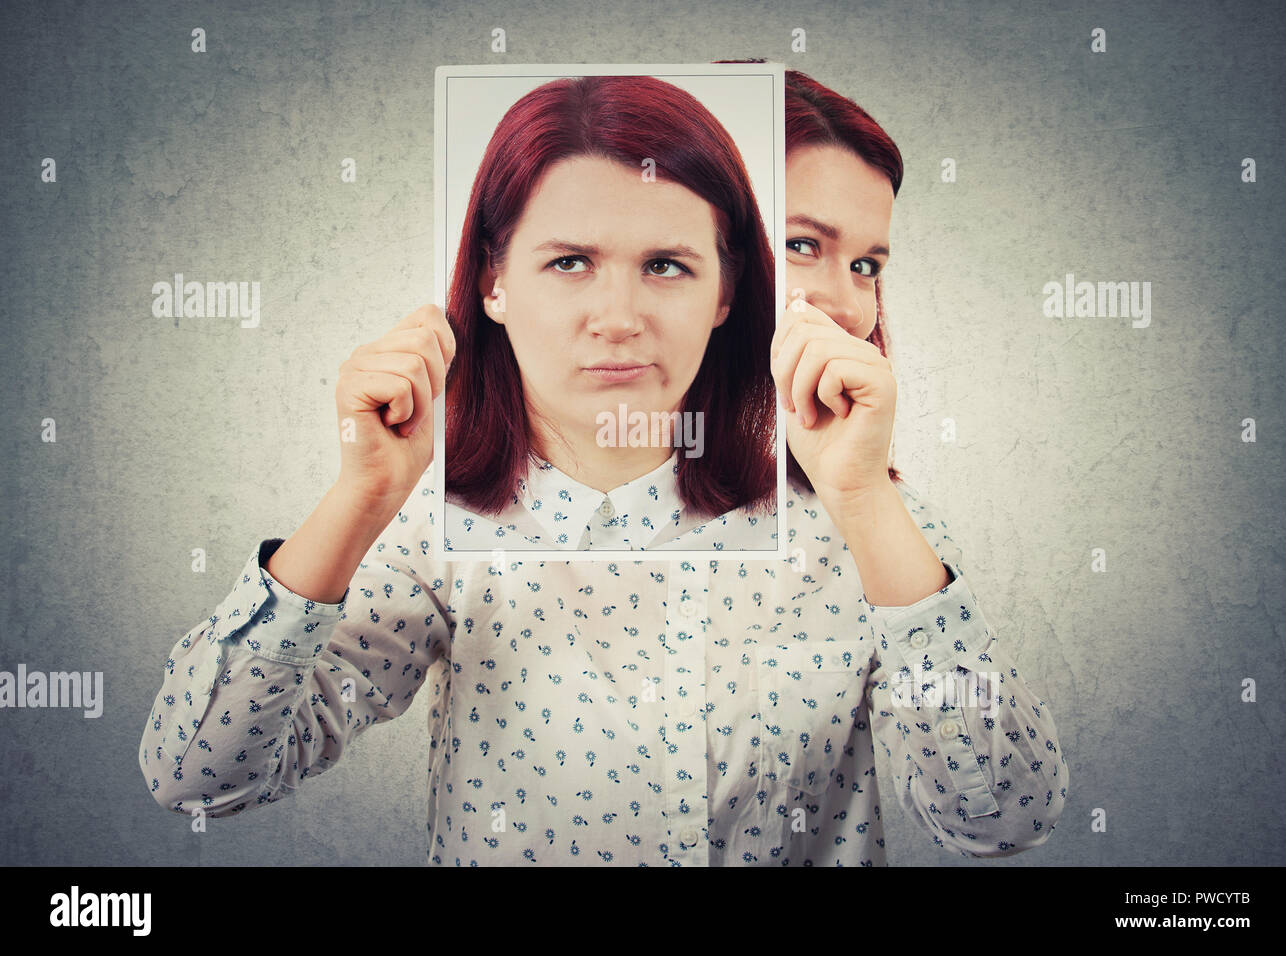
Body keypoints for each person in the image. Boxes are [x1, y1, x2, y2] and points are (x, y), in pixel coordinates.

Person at [139, 69, 1068, 866]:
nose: (839, 301)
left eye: (866, 263)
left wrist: (861, 501)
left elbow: (999, 816)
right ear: (496, 279)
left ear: (719, 280)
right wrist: (357, 498)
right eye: (801, 244)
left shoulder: (870, 528)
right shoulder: (440, 529)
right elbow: (198, 777)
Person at [440, 74, 777, 551]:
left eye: (664, 266)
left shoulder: (829, 527)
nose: (619, 321)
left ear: (726, 292)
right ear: (493, 284)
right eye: (569, 262)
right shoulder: (399, 531)